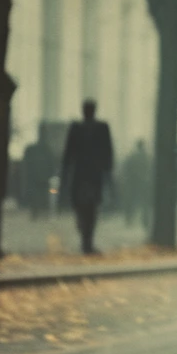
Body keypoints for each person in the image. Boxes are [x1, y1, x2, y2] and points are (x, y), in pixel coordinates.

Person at [59, 100, 114, 255]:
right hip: (91, 175)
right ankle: (87, 240)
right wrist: (108, 174)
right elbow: (108, 153)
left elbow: (68, 155)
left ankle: (86, 240)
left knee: (86, 208)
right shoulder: (101, 128)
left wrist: (65, 175)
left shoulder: (77, 129)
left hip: (83, 175)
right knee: (88, 209)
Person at [20, 127, 58, 221]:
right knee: (39, 195)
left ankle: (37, 213)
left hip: (38, 177)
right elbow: (51, 164)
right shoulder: (45, 150)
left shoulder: (37, 150)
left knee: (38, 195)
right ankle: (38, 213)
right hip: (42, 177)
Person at [119, 140, 152, 229]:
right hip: (144, 183)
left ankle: (129, 219)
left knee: (132, 202)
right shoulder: (147, 157)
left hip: (134, 183)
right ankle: (145, 221)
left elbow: (126, 169)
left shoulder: (132, 157)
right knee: (144, 203)